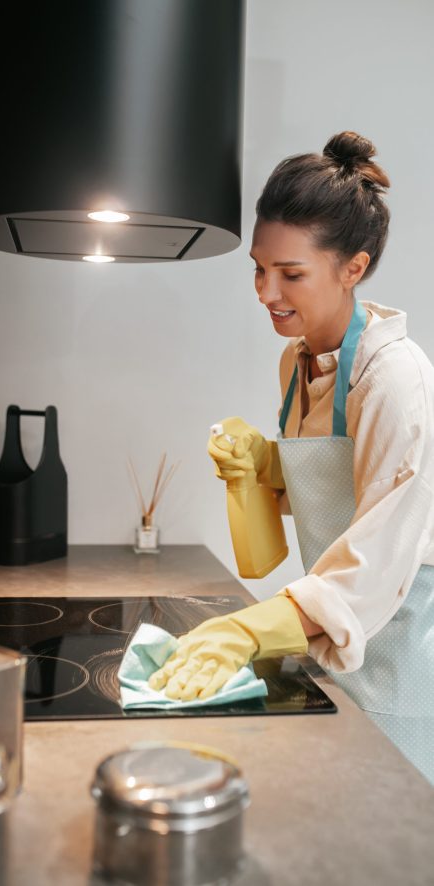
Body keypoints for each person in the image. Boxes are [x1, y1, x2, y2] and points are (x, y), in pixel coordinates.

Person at [149, 131, 434, 785]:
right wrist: (258, 471)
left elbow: (379, 553)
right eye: (259, 267)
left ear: (352, 269)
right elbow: (267, 554)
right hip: (333, 646)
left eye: (291, 273)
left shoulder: (394, 377)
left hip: (405, 664)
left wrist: (248, 632)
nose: (265, 290)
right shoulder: (296, 361)